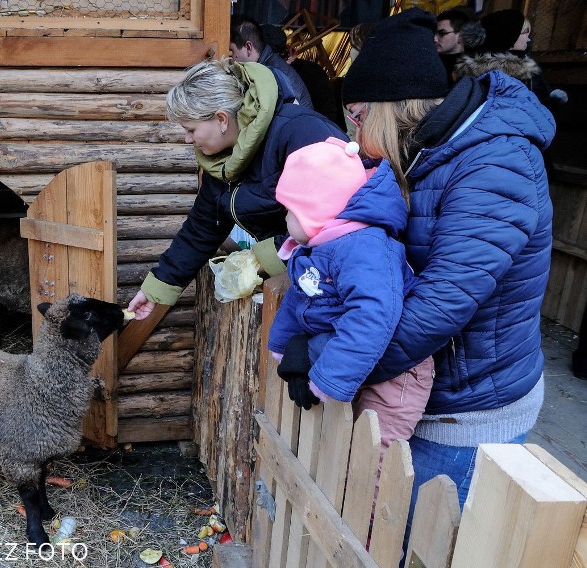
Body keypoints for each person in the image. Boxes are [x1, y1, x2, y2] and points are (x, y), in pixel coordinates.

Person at [341, 5, 555, 549]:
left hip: (471, 402)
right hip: (430, 386)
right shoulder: (428, 152)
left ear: (387, 109)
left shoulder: (493, 162)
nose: (354, 131)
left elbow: (444, 302)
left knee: (420, 546)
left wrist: (340, 364)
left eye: (357, 117)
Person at [126, 58, 346, 320]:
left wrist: (262, 259)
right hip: (294, 278)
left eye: (191, 129)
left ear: (221, 119)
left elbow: (330, 217)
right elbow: (203, 227)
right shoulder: (224, 158)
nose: (187, 139)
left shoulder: (300, 133)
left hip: (335, 283)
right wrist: (156, 289)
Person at [267, 137, 434, 452]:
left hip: (397, 372)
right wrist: (281, 344)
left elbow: (371, 316)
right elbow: (300, 299)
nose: (285, 220)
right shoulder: (321, 248)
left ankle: (370, 502)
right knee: (342, 449)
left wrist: (328, 378)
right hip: (354, 356)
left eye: (291, 210)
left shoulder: (363, 249)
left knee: (373, 452)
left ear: (318, 210)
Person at [454, 9, 568, 110]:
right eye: (524, 33)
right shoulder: (501, 74)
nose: (528, 39)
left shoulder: (523, 61)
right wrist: (549, 105)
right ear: (509, 37)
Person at [230, 15, 314, 109]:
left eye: (231, 51)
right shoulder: (267, 64)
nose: (229, 59)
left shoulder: (273, 74)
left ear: (249, 47)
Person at [435, 8, 474, 83]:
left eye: (442, 33)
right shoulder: (429, 60)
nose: (435, 39)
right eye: (434, 33)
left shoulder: (475, 66)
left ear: (461, 35)